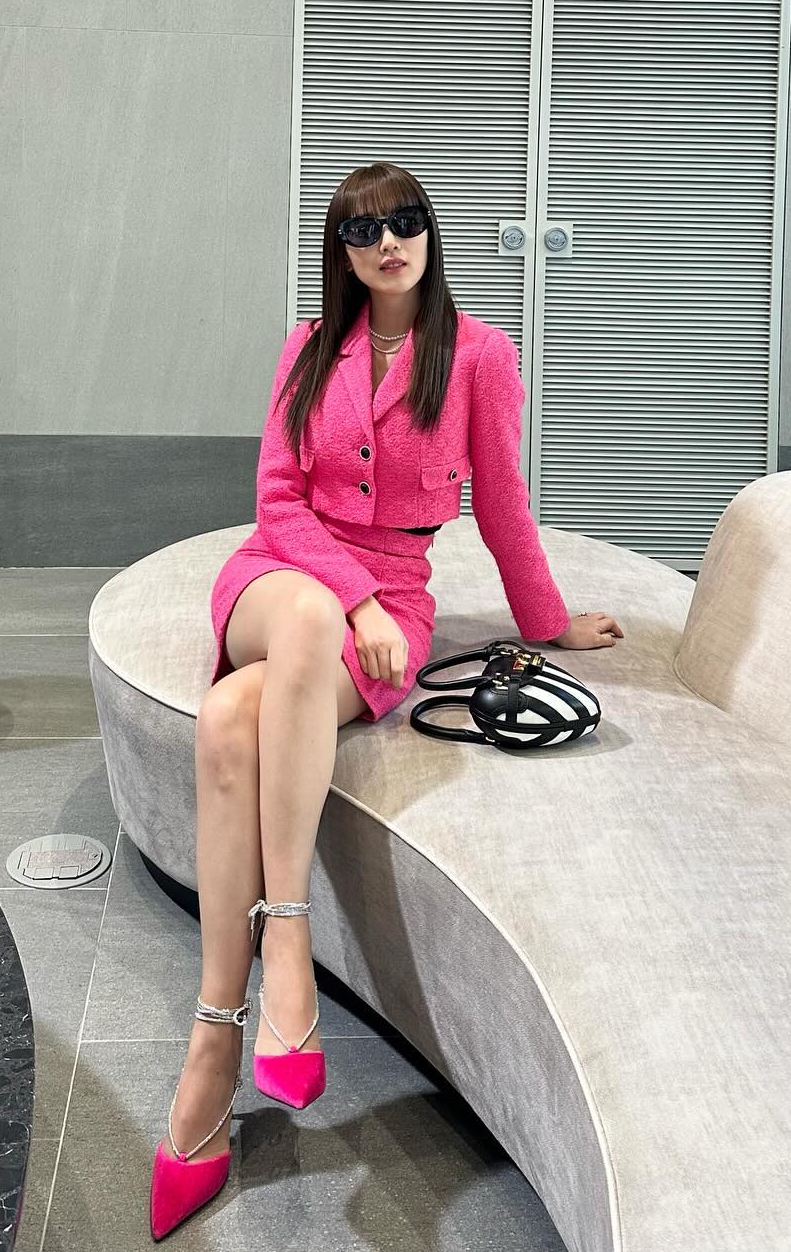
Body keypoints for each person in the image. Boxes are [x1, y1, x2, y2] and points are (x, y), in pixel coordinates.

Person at [148, 162, 623, 1239]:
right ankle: (288, 937)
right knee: (309, 618)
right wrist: (349, 596)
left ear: (430, 234)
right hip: (279, 580)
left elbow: (503, 505)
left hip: (393, 597)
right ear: (344, 252)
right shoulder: (309, 349)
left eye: (406, 222)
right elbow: (276, 501)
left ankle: (212, 1045)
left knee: (227, 720)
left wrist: (547, 622)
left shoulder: (481, 357)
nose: (389, 243)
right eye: (364, 231)